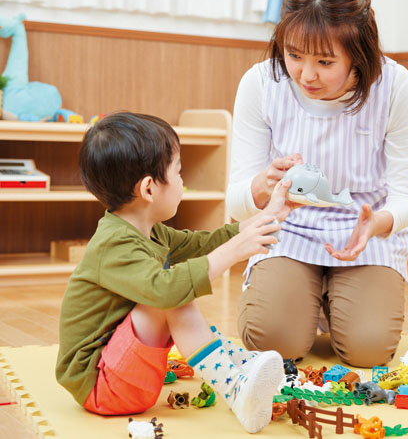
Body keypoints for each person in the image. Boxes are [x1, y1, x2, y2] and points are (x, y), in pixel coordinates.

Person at [227, 0, 408, 367]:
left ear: (359, 54)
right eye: (294, 55)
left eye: (325, 61)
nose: (306, 74)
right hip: (289, 232)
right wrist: (263, 188)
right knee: (272, 341)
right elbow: (237, 204)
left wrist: (379, 223)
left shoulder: (398, 88)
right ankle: (302, 294)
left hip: (367, 234)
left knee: (369, 349)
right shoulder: (261, 83)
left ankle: (331, 297)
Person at [55, 112, 294, 433]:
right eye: (179, 173)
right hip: (102, 386)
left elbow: (202, 244)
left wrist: (270, 215)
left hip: (124, 371)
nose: (184, 182)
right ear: (150, 189)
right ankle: (234, 385)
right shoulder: (114, 245)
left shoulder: (149, 231)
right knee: (169, 295)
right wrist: (236, 251)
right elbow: (168, 289)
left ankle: (236, 367)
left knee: (171, 289)